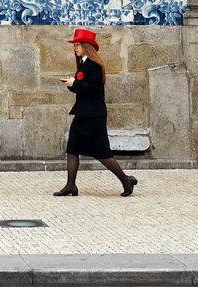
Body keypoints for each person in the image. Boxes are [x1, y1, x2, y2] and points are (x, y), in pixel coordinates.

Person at [53, 27, 138, 197]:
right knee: (72, 148)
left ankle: (126, 180)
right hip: (82, 114)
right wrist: (71, 84)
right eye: (74, 45)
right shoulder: (84, 64)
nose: (75, 48)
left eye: (77, 45)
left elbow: (93, 88)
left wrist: (74, 84)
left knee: (101, 152)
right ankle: (71, 185)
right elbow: (82, 89)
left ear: (86, 46)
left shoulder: (95, 66)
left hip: (93, 116)